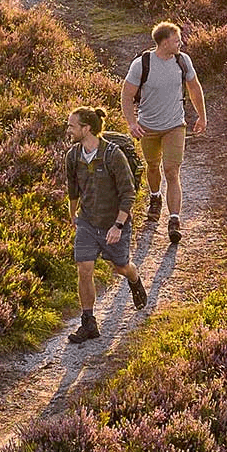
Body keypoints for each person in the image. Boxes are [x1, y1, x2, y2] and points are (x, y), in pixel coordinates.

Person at [64, 104, 147, 344]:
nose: (68, 130)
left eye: (72, 126)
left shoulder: (113, 155)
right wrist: (73, 215)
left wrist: (118, 226)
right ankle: (88, 322)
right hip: (88, 223)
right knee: (84, 268)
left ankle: (134, 279)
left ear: (86, 128)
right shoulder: (73, 156)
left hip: (114, 223)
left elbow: (128, 193)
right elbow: (73, 189)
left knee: (119, 267)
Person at [119, 19, 205, 249]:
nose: (181, 43)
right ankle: (155, 196)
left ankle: (174, 219)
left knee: (172, 169)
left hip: (175, 125)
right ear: (165, 42)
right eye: (177, 40)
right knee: (152, 165)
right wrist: (132, 122)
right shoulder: (142, 64)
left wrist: (202, 116)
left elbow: (194, 88)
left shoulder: (182, 61)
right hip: (148, 126)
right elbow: (126, 96)